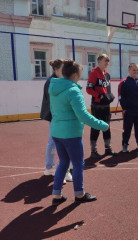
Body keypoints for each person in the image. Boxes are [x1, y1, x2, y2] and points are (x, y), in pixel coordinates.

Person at [49, 59, 109, 205]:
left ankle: (56, 195)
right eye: (80, 74)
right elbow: (82, 115)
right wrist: (102, 125)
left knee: (63, 162)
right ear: (75, 74)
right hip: (71, 134)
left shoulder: (53, 86)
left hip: (57, 132)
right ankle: (79, 194)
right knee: (77, 163)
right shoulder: (73, 90)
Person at [40, 59, 72, 183]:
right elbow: (55, 102)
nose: (64, 71)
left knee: (57, 141)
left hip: (59, 116)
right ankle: (51, 167)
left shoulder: (61, 80)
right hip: (55, 116)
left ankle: (57, 168)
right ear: (55, 69)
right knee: (54, 141)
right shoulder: (51, 82)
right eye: (62, 69)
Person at [86, 54, 116, 159]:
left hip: (106, 106)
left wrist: (109, 96)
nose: (107, 62)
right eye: (105, 60)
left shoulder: (107, 75)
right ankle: (93, 151)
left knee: (107, 126)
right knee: (95, 127)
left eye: (108, 61)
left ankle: (108, 148)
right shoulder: (93, 73)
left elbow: (107, 89)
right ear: (99, 61)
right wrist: (99, 95)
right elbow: (88, 89)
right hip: (97, 105)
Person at [120, 63, 138, 152]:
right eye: (134, 70)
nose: (136, 72)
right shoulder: (124, 82)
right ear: (129, 70)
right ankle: (125, 145)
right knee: (127, 129)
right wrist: (124, 108)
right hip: (129, 111)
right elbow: (121, 97)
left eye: (137, 70)